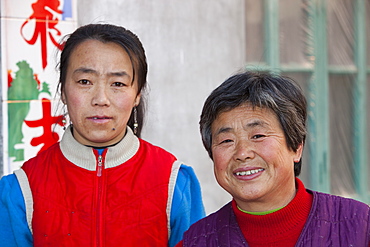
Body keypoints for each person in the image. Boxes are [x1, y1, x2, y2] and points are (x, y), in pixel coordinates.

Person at [0, 23, 205, 247]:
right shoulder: (22, 189)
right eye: (85, 82)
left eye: (117, 83)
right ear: (63, 91)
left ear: (137, 94)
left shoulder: (173, 181)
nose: (101, 98)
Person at [176, 70, 370, 247]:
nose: (243, 153)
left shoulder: (360, 226)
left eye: (258, 136)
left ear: (296, 147)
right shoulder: (196, 241)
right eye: (227, 140)